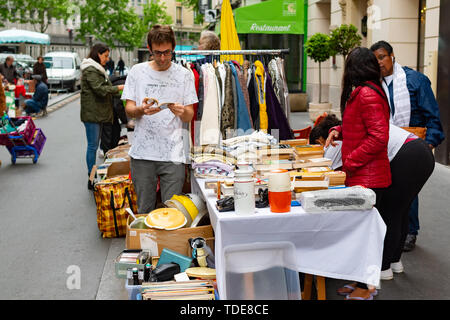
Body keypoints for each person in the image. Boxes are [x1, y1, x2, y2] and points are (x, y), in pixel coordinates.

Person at [320, 113, 435, 293]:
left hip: (408, 154)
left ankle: (384, 267)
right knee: (401, 210)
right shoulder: (359, 124)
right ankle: (395, 262)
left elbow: (332, 173)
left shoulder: (339, 139)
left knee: (390, 212)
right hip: (422, 151)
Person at [324, 47, 391, 300]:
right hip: (364, 176)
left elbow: (378, 137)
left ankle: (366, 288)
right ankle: (362, 282)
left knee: (365, 236)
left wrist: (349, 162)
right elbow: (362, 124)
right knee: (361, 234)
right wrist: (339, 129)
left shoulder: (366, 94)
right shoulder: (364, 92)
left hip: (369, 177)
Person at [370, 41, 445, 252]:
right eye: (375, 59)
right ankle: (392, 232)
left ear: (392, 56)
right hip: (385, 145)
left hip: (412, 146)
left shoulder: (415, 81)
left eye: (382, 57)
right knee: (389, 190)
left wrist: (427, 143)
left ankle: (410, 231)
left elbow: (433, 116)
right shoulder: (374, 84)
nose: (379, 63)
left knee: (407, 191)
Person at [121, 24, 198, 213]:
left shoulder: (184, 75)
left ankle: (168, 244)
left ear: (173, 48)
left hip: (173, 155)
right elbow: (129, 109)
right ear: (149, 49)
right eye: (157, 53)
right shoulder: (137, 72)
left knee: (172, 213)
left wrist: (181, 111)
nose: (163, 58)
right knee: (144, 210)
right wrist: (140, 110)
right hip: (142, 154)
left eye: (167, 53)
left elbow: (190, 115)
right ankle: (145, 243)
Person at [80, 43, 124, 190]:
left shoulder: (95, 68)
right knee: (93, 146)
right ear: (98, 54)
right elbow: (99, 89)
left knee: (96, 146)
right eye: (105, 56)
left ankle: (95, 176)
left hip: (98, 114)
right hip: (93, 115)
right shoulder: (91, 69)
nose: (107, 59)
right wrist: (118, 88)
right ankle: (91, 178)